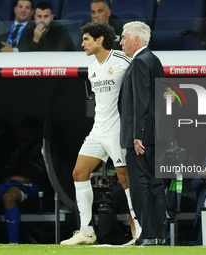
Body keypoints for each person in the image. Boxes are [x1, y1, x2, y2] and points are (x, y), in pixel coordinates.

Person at [60, 21, 141, 246]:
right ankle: (86, 231)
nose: (82, 43)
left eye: (86, 39)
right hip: (98, 130)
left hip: (117, 131)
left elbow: (141, 83)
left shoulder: (123, 61)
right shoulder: (92, 67)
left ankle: (139, 227)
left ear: (100, 40)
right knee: (79, 173)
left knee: (125, 179)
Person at [118, 21, 168, 246]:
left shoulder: (139, 62)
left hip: (140, 138)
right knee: (156, 187)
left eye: (124, 37)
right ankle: (158, 235)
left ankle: (147, 234)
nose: (121, 42)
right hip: (156, 136)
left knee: (140, 187)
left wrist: (138, 134)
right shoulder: (154, 60)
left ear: (136, 40)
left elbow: (142, 101)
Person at [0, 117, 45, 244]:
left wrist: (23, 150)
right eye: (23, 133)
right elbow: (4, 172)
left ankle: (13, 245)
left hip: (32, 187)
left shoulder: (42, 150)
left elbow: (29, 175)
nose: (26, 136)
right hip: (9, 182)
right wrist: (12, 177)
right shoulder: (13, 150)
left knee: (9, 197)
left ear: (38, 133)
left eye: (30, 133)